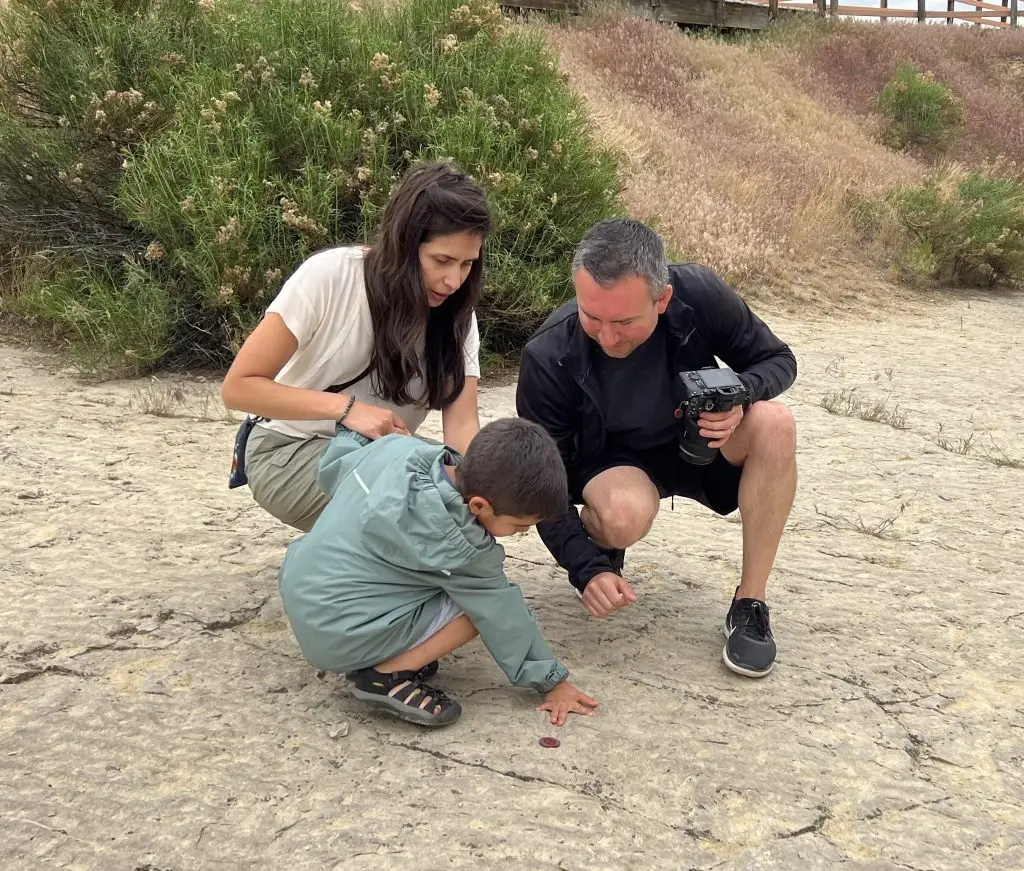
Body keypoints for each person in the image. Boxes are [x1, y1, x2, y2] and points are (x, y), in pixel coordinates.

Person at [515, 218, 798, 679]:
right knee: (622, 518)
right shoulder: (549, 353)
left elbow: (779, 360)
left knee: (775, 423)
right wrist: (585, 569)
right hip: (614, 463)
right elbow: (541, 482)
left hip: (703, 438)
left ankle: (750, 602)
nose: (606, 338)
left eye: (624, 322)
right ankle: (605, 540)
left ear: (662, 298)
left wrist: (739, 393)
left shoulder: (700, 293)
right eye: (592, 317)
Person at [276, 417, 599, 728]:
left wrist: (355, 431)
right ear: (479, 506)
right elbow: (502, 613)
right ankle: (385, 676)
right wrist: (552, 682)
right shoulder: (461, 543)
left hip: (305, 595)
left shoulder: (397, 451)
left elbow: (334, 466)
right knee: (475, 609)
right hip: (339, 637)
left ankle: (387, 648)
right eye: (519, 525)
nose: (522, 533)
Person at [221, 161, 490, 532]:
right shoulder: (330, 277)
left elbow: (461, 425)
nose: (453, 280)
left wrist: (474, 489)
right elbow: (238, 388)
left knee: (464, 496)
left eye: (467, 264)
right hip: (288, 450)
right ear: (404, 243)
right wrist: (346, 410)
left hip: (384, 456)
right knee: (416, 498)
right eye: (441, 260)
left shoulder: (458, 315)